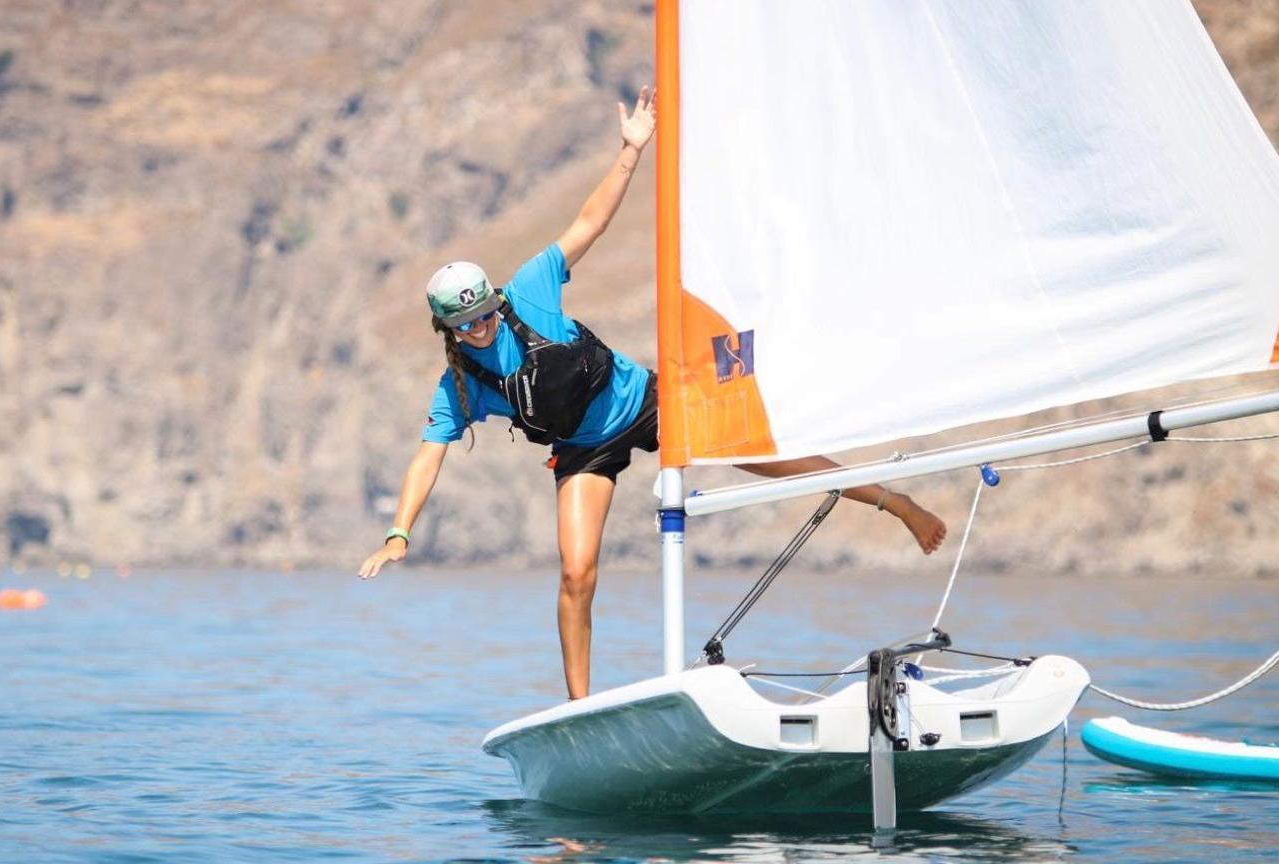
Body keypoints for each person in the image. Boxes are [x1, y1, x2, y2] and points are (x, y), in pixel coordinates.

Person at [358, 87, 948, 700]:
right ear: (446, 330)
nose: (481, 328)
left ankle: (892, 501)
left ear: (494, 300)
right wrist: (399, 532)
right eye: (466, 324)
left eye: (485, 313)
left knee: (760, 455)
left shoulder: (529, 289)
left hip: (643, 402)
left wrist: (630, 151)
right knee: (576, 571)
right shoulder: (459, 386)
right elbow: (428, 455)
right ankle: (578, 709)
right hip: (584, 448)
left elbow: (590, 222)